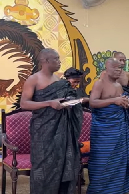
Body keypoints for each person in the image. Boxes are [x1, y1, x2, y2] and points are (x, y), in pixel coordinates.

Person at [20, 48, 83, 194]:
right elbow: (24, 104)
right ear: (45, 61)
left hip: (62, 131)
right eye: (56, 59)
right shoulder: (33, 79)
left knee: (62, 165)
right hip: (43, 131)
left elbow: (68, 100)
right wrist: (49, 103)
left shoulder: (60, 81)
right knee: (43, 168)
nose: (60, 62)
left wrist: (71, 103)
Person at [87, 58, 129, 194]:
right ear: (107, 68)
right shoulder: (99, 84)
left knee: (119, 161)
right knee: (102, 162)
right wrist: (114, 100)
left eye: (120, 68)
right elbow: (92, 102)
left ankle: (117, 189)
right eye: (115, 67)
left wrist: (125, 102)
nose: (118, 70)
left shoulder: (118, 86)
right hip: (103, 130)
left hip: (119, 127)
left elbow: (119, 102)